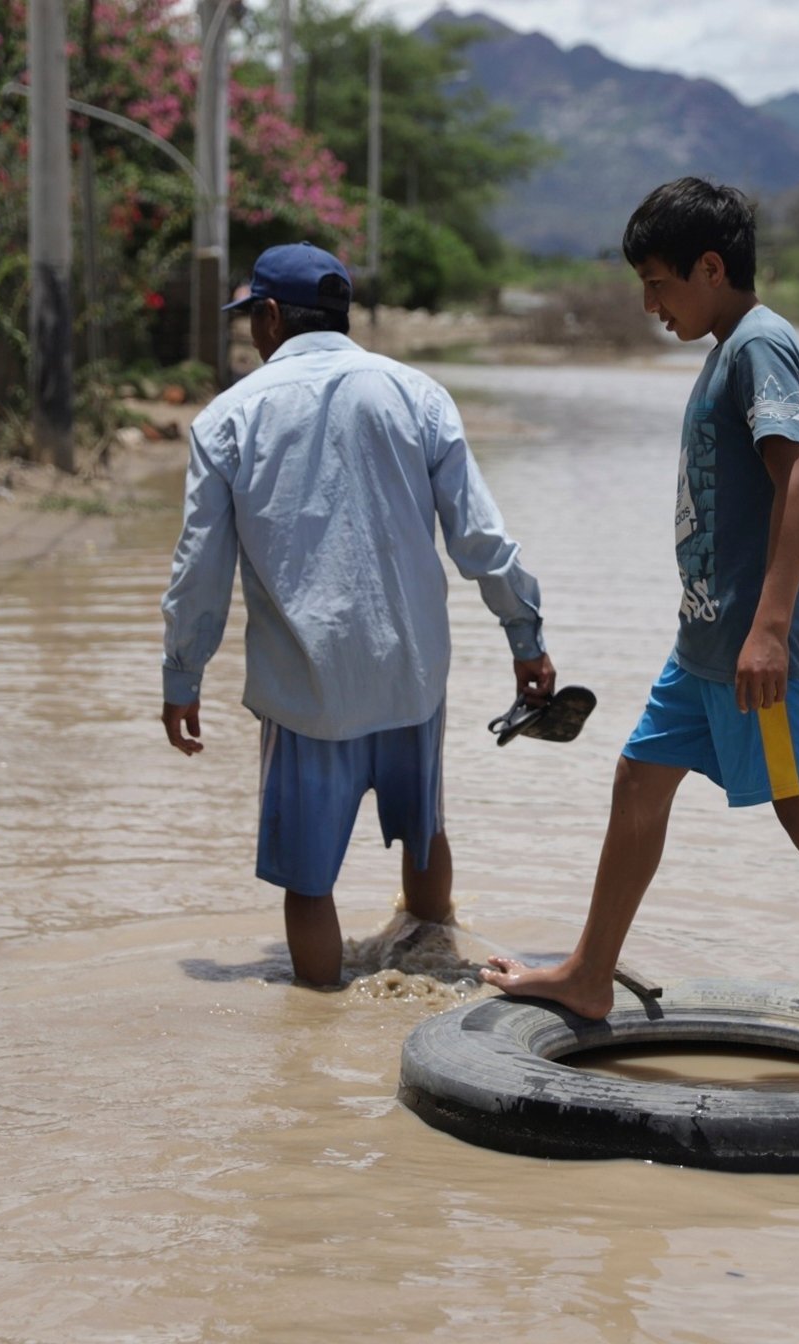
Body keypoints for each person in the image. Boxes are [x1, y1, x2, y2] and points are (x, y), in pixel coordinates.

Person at [482, 179, 799, 1090]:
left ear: (713, 268)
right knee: (638, 780)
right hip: (699, 648)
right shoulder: (723, 351)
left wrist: (772, 632)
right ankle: (591, 977)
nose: (649, 304)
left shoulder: (761, 347)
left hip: (751, 651)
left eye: (660, 283)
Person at [159, 241, 555, 988]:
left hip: (310, 686)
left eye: (251, 318)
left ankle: (316, 1031)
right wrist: (524, 635)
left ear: (271, 316)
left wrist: (182, 675)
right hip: (412, 674)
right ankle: (434, 967)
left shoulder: (228, 418)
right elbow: (481, 537)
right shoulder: (418, 394)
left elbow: (198, 569)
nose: (251, 332)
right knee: (425, 831)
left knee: (309, 883)